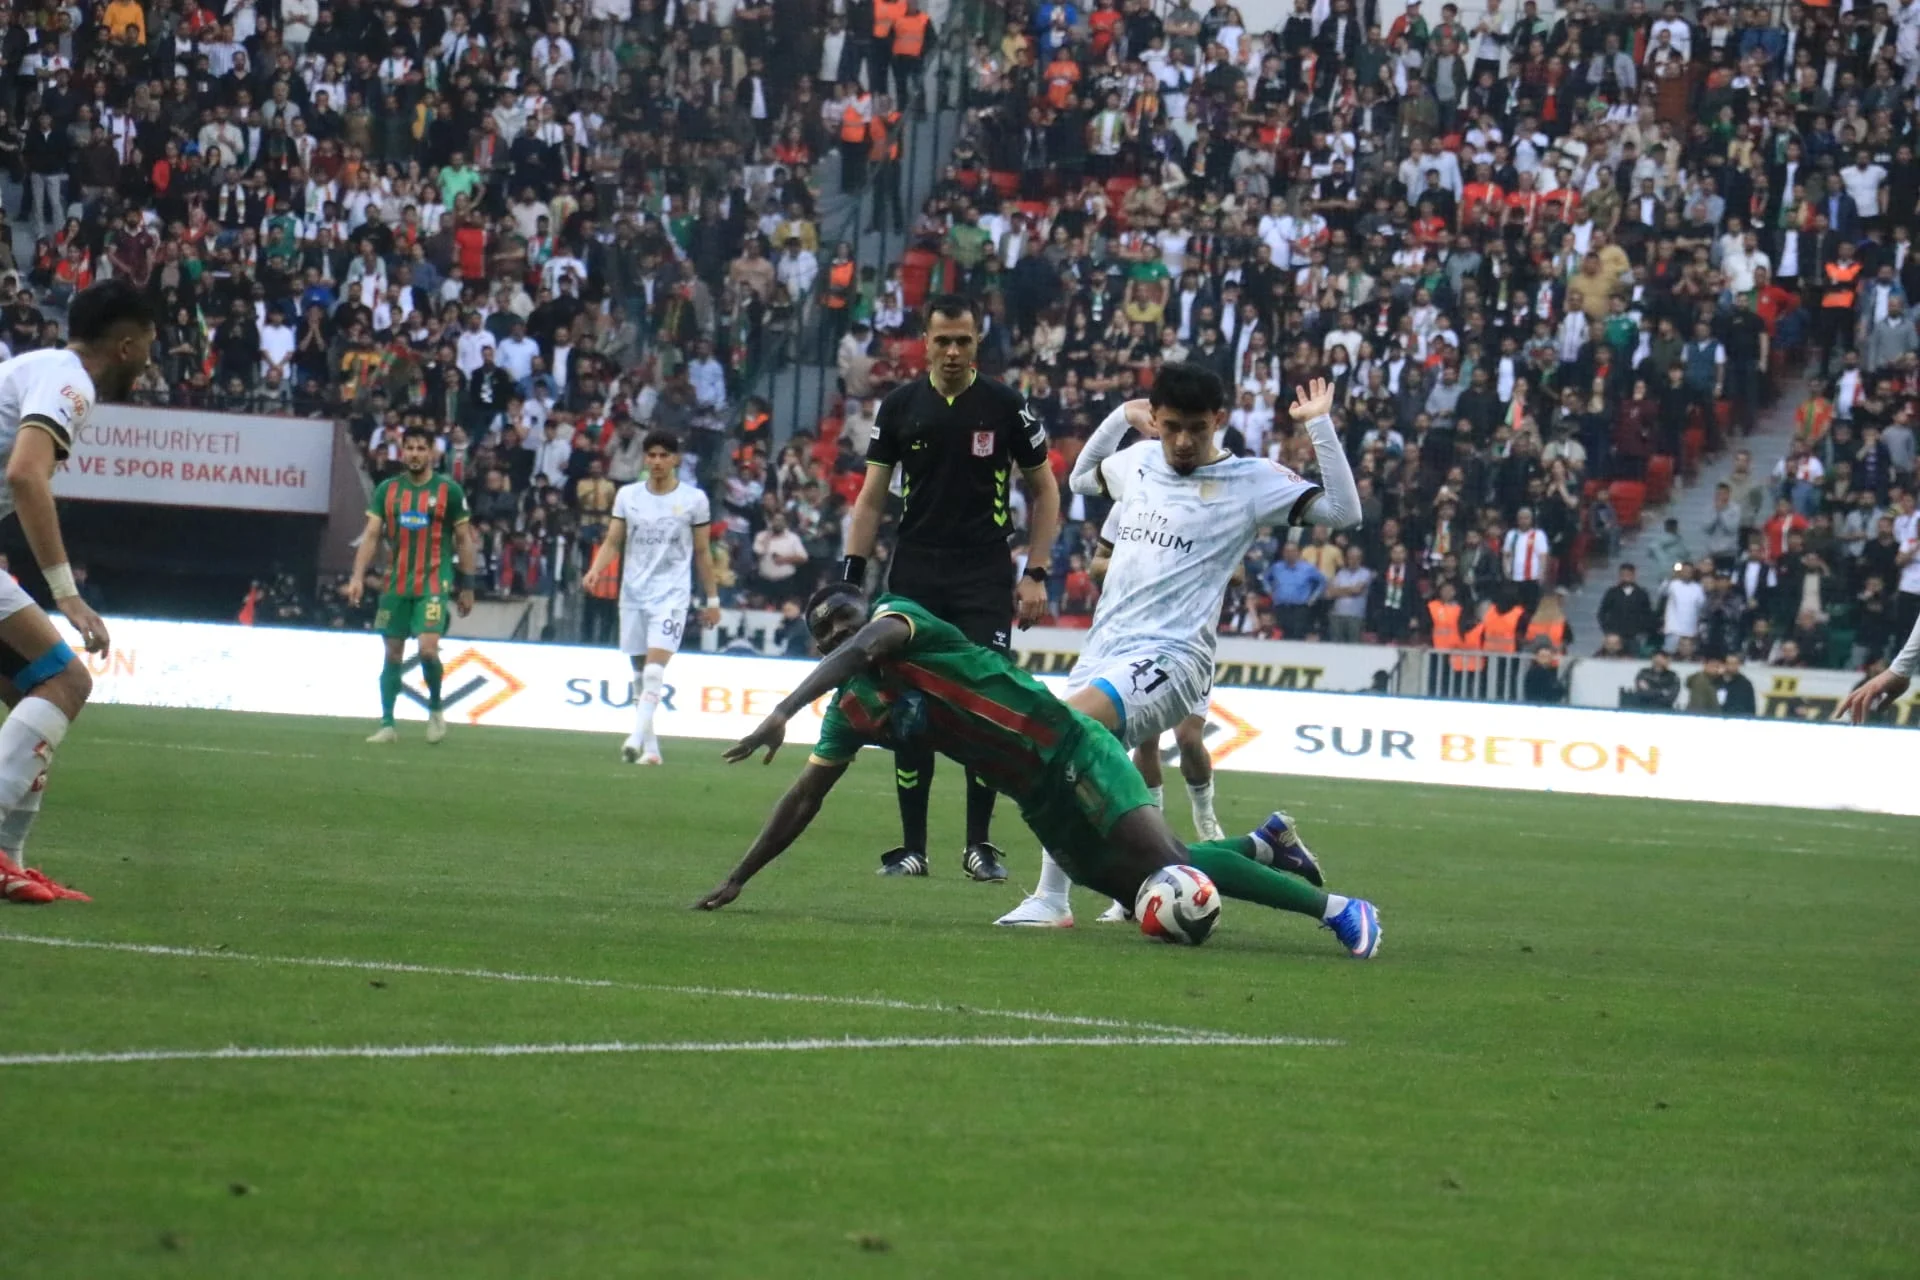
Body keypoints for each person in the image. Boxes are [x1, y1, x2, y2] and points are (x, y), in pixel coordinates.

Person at [697, 586, 1383, 961]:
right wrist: (738, 874)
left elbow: (871, 640)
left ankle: (1342, 912)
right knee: (1145, 881)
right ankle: (1265, 847)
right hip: (1033, 796)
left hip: (1069, 747)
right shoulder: (851, 710)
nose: (846, 639)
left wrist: (786, 706)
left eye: (848, 623)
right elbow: (805, 796)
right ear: (820, 648)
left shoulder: (902, 621)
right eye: (831, 638)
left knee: (1171, 868)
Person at [998, 372, 1361, 928]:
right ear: (1157, 420)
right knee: (1069, 768)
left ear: (1220, 420)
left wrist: (1319, 424)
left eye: (1197, 429)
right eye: (1171, 428)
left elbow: (1343, 512)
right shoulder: (1140, 460)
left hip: (1172, 656)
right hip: (1105, 647)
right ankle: (1258, 848)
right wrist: (1122, 416)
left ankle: (1055, 899)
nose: (1184, 442)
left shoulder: (1250, 479)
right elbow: (1080, 481)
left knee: (1063, 734)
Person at [838, 294, 1062, 882]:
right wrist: (850, 579)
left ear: (977, 342)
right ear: (925, 341)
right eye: (944, 341)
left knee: (983, 711)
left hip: (984, 573)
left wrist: (1035, 572)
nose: (954, 351)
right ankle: (913, 849)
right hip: (914, 571)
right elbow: (871, 496)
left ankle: (979, 846)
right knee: (908, 710)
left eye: (964, 340)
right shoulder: (900, 405)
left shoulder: (1008, 407)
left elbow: (1046, 491)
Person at [0, 279, 154, 904]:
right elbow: (26, 475)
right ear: (124, 345)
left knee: (41, 692)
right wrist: (66, 594)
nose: (149, 357)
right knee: (66, 682)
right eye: (148, 343)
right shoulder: (72, 383)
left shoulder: (40, 369)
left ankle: (8, 862)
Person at [582, 432, 721, 765]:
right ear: (646, 459)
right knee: (639, 673)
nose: (657, 461)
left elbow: (702, 551)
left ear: (676, 459)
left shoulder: (694, 499)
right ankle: (652, 748)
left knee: (655, 670)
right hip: (632, 593)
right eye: (652, 455)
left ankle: (634, 737)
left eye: (664, 455)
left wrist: (713, 600)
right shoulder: (628, 496)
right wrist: (596, 570)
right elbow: (614, 541)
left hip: (672, 594)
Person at [345, 425, 479, 744]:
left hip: (434, 581)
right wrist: (357, 577)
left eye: (421, 448)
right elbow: (372, 536)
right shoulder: (387, 491)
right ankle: (388, 724)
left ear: (432, 452)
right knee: (392, 655)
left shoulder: (449, 491)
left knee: (428, 650)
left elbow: (463, 540)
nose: (416, 454)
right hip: (395, 584)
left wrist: (468, 585)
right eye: (410, 448)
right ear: (402, 452)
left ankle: (435, 709)